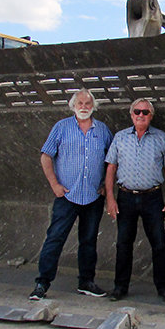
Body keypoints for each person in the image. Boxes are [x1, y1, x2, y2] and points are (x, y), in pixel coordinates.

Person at [29, 89, 112, 301]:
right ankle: (42, 283)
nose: (84, 107)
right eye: (80, 103)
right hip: (67, 195)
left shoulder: (102, 130)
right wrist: (54, 183)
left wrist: (106, 185)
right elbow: (46, 155)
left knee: (89, 241)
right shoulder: (62, 127)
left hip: (93, 196)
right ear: (73, 106)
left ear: (94, 106)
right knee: (55, 238)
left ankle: (86, 282)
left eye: (87, 103)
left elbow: (112, 160)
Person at [104, 98, 165, 303]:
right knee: (123, 244)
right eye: (137, 111)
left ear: (151, 116)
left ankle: (163, 288)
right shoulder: (120, 138)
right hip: (125, 197)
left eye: (145, 112)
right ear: (131, 115)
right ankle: (120, 287)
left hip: (153, 198)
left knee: (159, 244)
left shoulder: (161, 138)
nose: (141, 115)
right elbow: (111, 168)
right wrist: (110, 199)